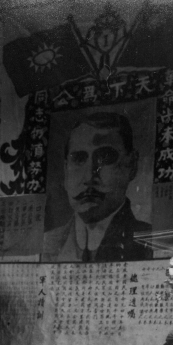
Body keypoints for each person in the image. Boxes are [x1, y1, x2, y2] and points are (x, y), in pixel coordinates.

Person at [42, 112, 153, 262]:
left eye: (105, 158)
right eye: (79, 159)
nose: (89, 177)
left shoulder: (150, 241)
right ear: (66, 170)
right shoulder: (47, 244)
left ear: (131, 165)